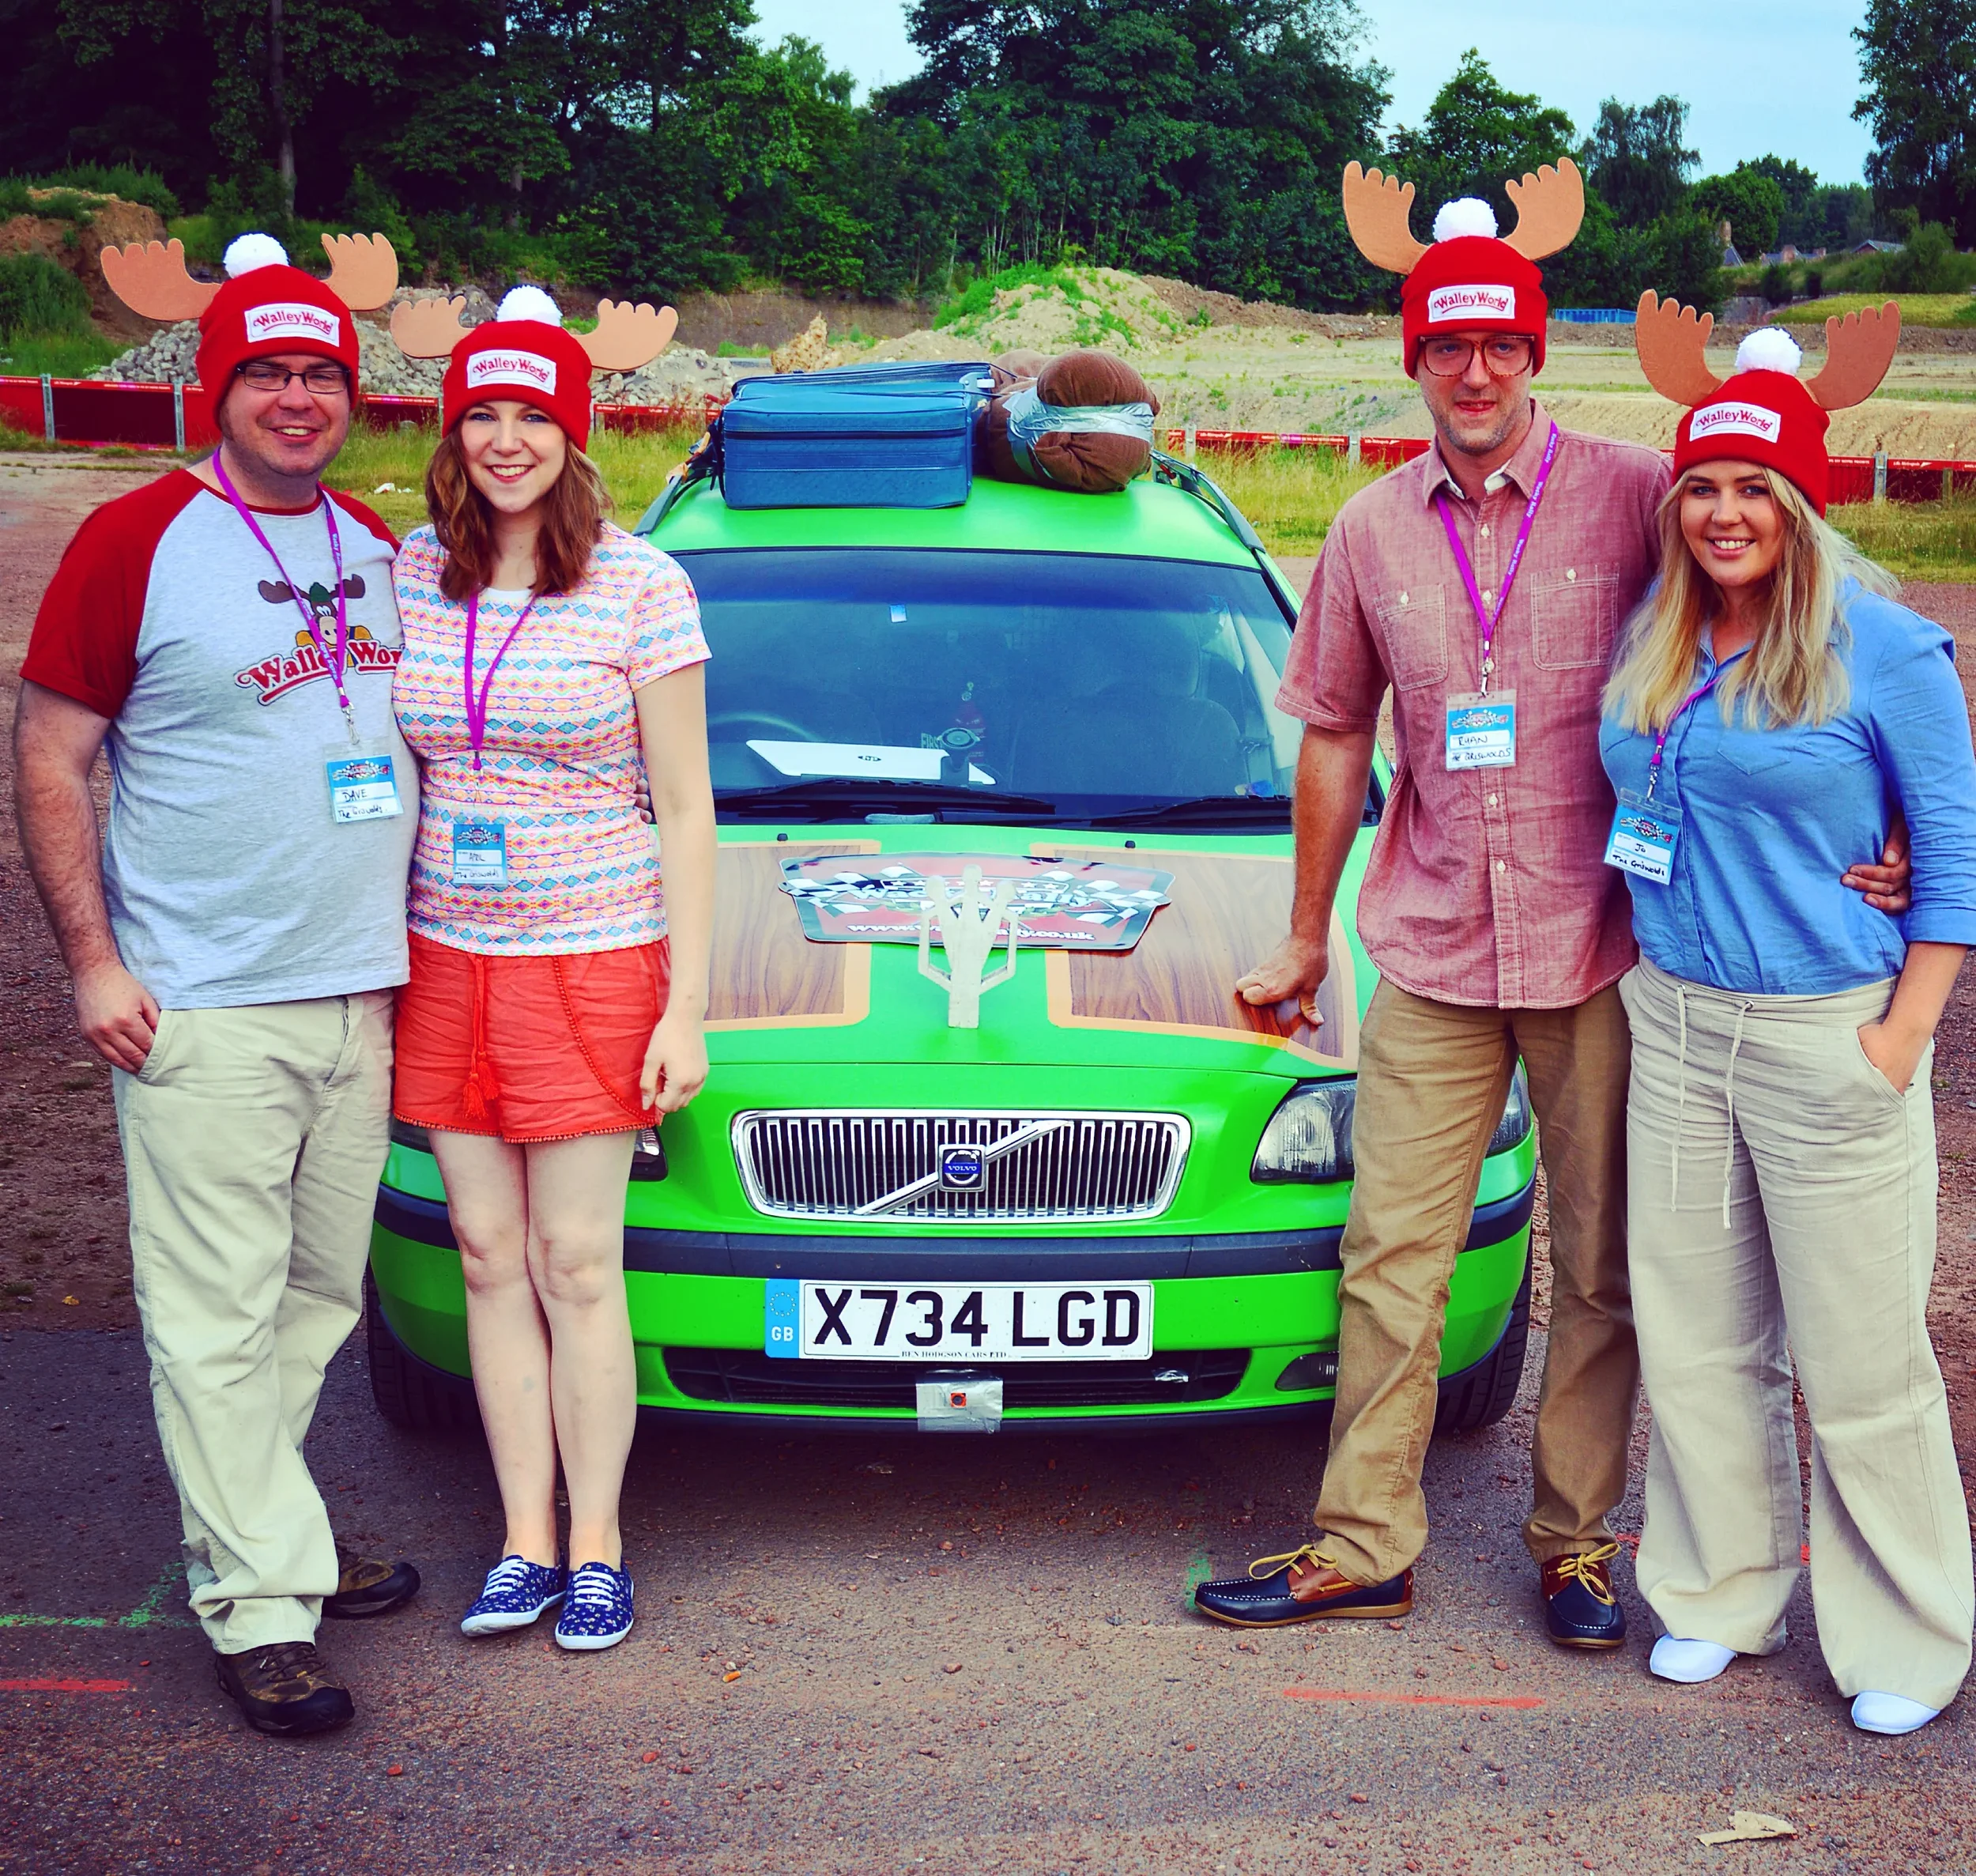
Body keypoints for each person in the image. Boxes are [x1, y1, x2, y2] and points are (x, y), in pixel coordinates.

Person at [1191, 166, 1910, 1648]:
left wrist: (1889, 820)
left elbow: (1805, 620)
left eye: (1501, 344)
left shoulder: (1646, 493)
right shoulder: (1370, 534)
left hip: (1606, 953)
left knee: (1602, 1265)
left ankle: (1578, 1542)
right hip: (1436, 951)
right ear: (1413, 357)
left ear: (1536, 352)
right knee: (1392, 1254)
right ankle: (1361, 1540)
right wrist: (1304, 928)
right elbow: (1333, 730)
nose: (1474, 370)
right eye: (1445, 345)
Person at [13, 231, 423, 1737]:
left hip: (356, 996)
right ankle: (258, 1604)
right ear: (216, 387)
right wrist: (95, 965)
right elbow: (53, 754)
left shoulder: (371, 545)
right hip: (201, 1000)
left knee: (314, 1300)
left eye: (323, 371)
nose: (299, 397)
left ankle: (274, 1538)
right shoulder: (135, 540)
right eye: (268, 372)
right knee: (212, 1313)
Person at [1605, 308, 1974, 1734]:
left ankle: (1904, 1639)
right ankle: (1718, 1592)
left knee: (1864, 1361)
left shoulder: (1888, 651)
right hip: (1680, 1030)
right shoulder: (1657, 637)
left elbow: (1950, 864)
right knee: (1697, 1339)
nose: (1724, 511)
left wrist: (1898, 1043)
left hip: (1835, 1033)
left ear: (1803, 502)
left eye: (1755, 486)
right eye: (1701, 485)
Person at [388, 287, 715, 1653]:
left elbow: (688, 807)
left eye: (533, 413)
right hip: (444, 955)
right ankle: (520, 1541)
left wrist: (686, 1005)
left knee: (580, 1261)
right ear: (452, 432)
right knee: (483, 1253)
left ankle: (598, 1548)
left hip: (591, 956)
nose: (506, 438)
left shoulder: (640, 583)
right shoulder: (413, 569)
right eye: (484, 414)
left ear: (573, 435)